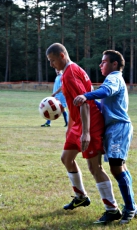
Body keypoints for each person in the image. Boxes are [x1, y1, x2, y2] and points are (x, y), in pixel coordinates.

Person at [46, 43, 121, 224]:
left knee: (95, 168)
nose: (51, 64)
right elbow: (74, 103)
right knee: (66, 158)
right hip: (78, 123)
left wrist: (86, 132)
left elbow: (85, 103)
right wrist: (70, 128)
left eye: (53, 60)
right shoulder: (69, 71)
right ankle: (80, 196)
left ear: (62, 56)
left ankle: (112, 209)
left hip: (90, 123)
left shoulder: (70, 74)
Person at [74, 50, 137, 225]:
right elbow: (104, 97)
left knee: (117, 168)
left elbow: (106, 91)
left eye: (103, 62)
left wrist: (85, 96)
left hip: (118, 127)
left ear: (114, 64)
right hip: (114, 129)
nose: (100, 65)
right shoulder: (113, 79)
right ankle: (131, 204)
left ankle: (130, 208)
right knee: (121, 167)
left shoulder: (114, 78)